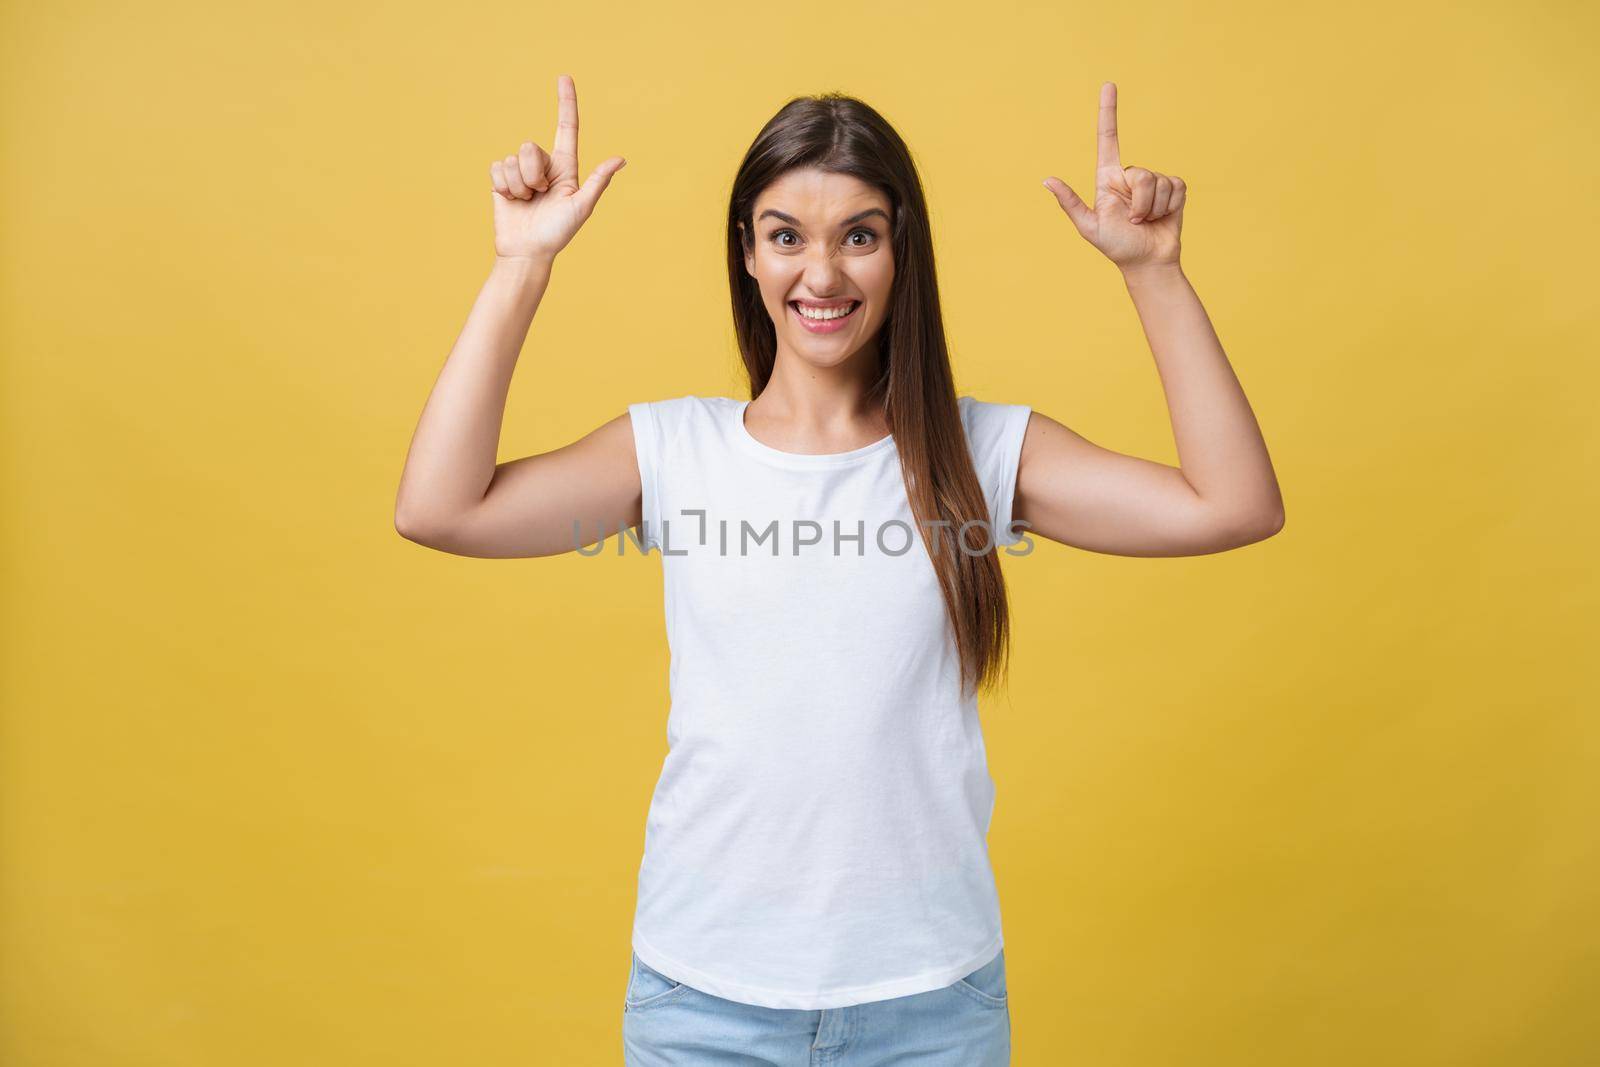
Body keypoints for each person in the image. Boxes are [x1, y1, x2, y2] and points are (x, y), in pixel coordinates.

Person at [394, 74, 1284, 1066]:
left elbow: (1232, 504)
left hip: (928, 1009)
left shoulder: (982, 453)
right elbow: (439, 507)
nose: (821, 272)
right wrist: (521, 265)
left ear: (902, 254)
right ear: (746, 252)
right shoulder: (670, 452)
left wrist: (1152, 271)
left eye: (858, 234)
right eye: (785, 235)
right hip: (704, 1003)